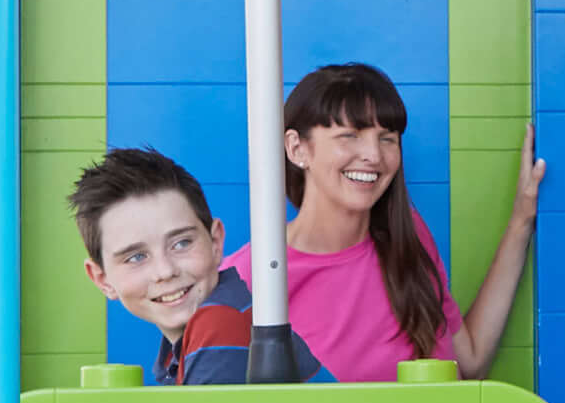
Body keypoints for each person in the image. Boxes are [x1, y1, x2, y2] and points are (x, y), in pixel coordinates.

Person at [231, 61, 542, 384]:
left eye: (387, 138)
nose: (373, 156)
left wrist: (522, 220)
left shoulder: (408, 236)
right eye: (349, 135)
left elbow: (470, 363)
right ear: (297, 148)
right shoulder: (249, 279)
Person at [70, 147, 333, 386]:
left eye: (181, 243)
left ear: (216, 242)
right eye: (136, 257)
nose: (165, 271)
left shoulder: (221, 324)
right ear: (102, 279)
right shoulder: (203, 330)